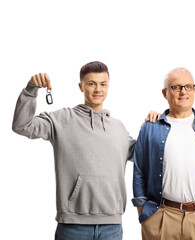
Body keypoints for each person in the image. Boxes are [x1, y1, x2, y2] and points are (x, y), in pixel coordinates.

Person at [12, 61, 158, 240]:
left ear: (108, 86)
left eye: (103, 84)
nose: (98, 89)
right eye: (91, 83)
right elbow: (22, 125)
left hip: (112, 226)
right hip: (73, 226)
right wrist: (31, 90)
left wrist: (151, 127)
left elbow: (142, 156)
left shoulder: (118, 127)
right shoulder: (61, 120)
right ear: (81, 87)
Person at [132, 67, 195, 240]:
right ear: (165, 93)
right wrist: (145, 215)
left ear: (194, 90)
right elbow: (139, 172)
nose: (183, 91)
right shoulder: (150, 128)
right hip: (162, 218)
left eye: (188, 86)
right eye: (176, 87)